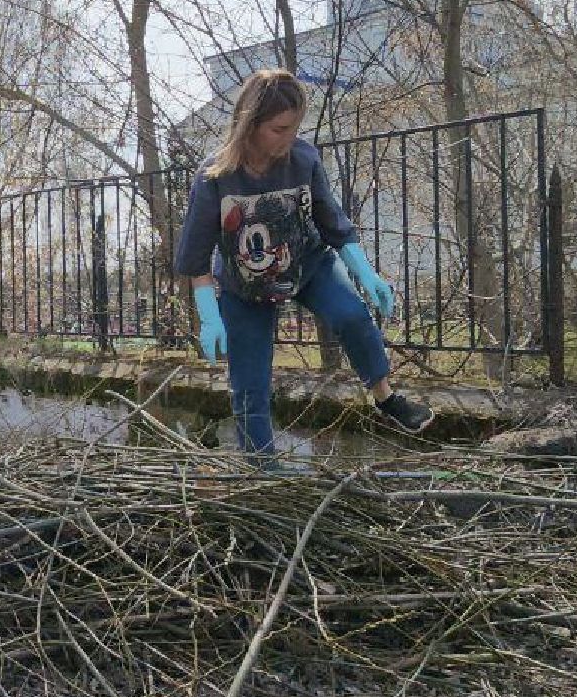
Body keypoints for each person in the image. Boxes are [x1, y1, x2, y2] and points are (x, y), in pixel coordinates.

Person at [174, 69, 432, 462]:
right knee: (249, 383)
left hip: (308, 265)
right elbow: (195, 256)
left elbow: (333, 223)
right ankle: (262, 465)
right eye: (280, 129)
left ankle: (387, 399)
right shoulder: (215, 179)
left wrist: (365, 273)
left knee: (352, 316)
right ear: (250, 124)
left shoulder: (303, 159)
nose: (289, 138)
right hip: (246, 287)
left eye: (294, 128)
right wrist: (209, 315)